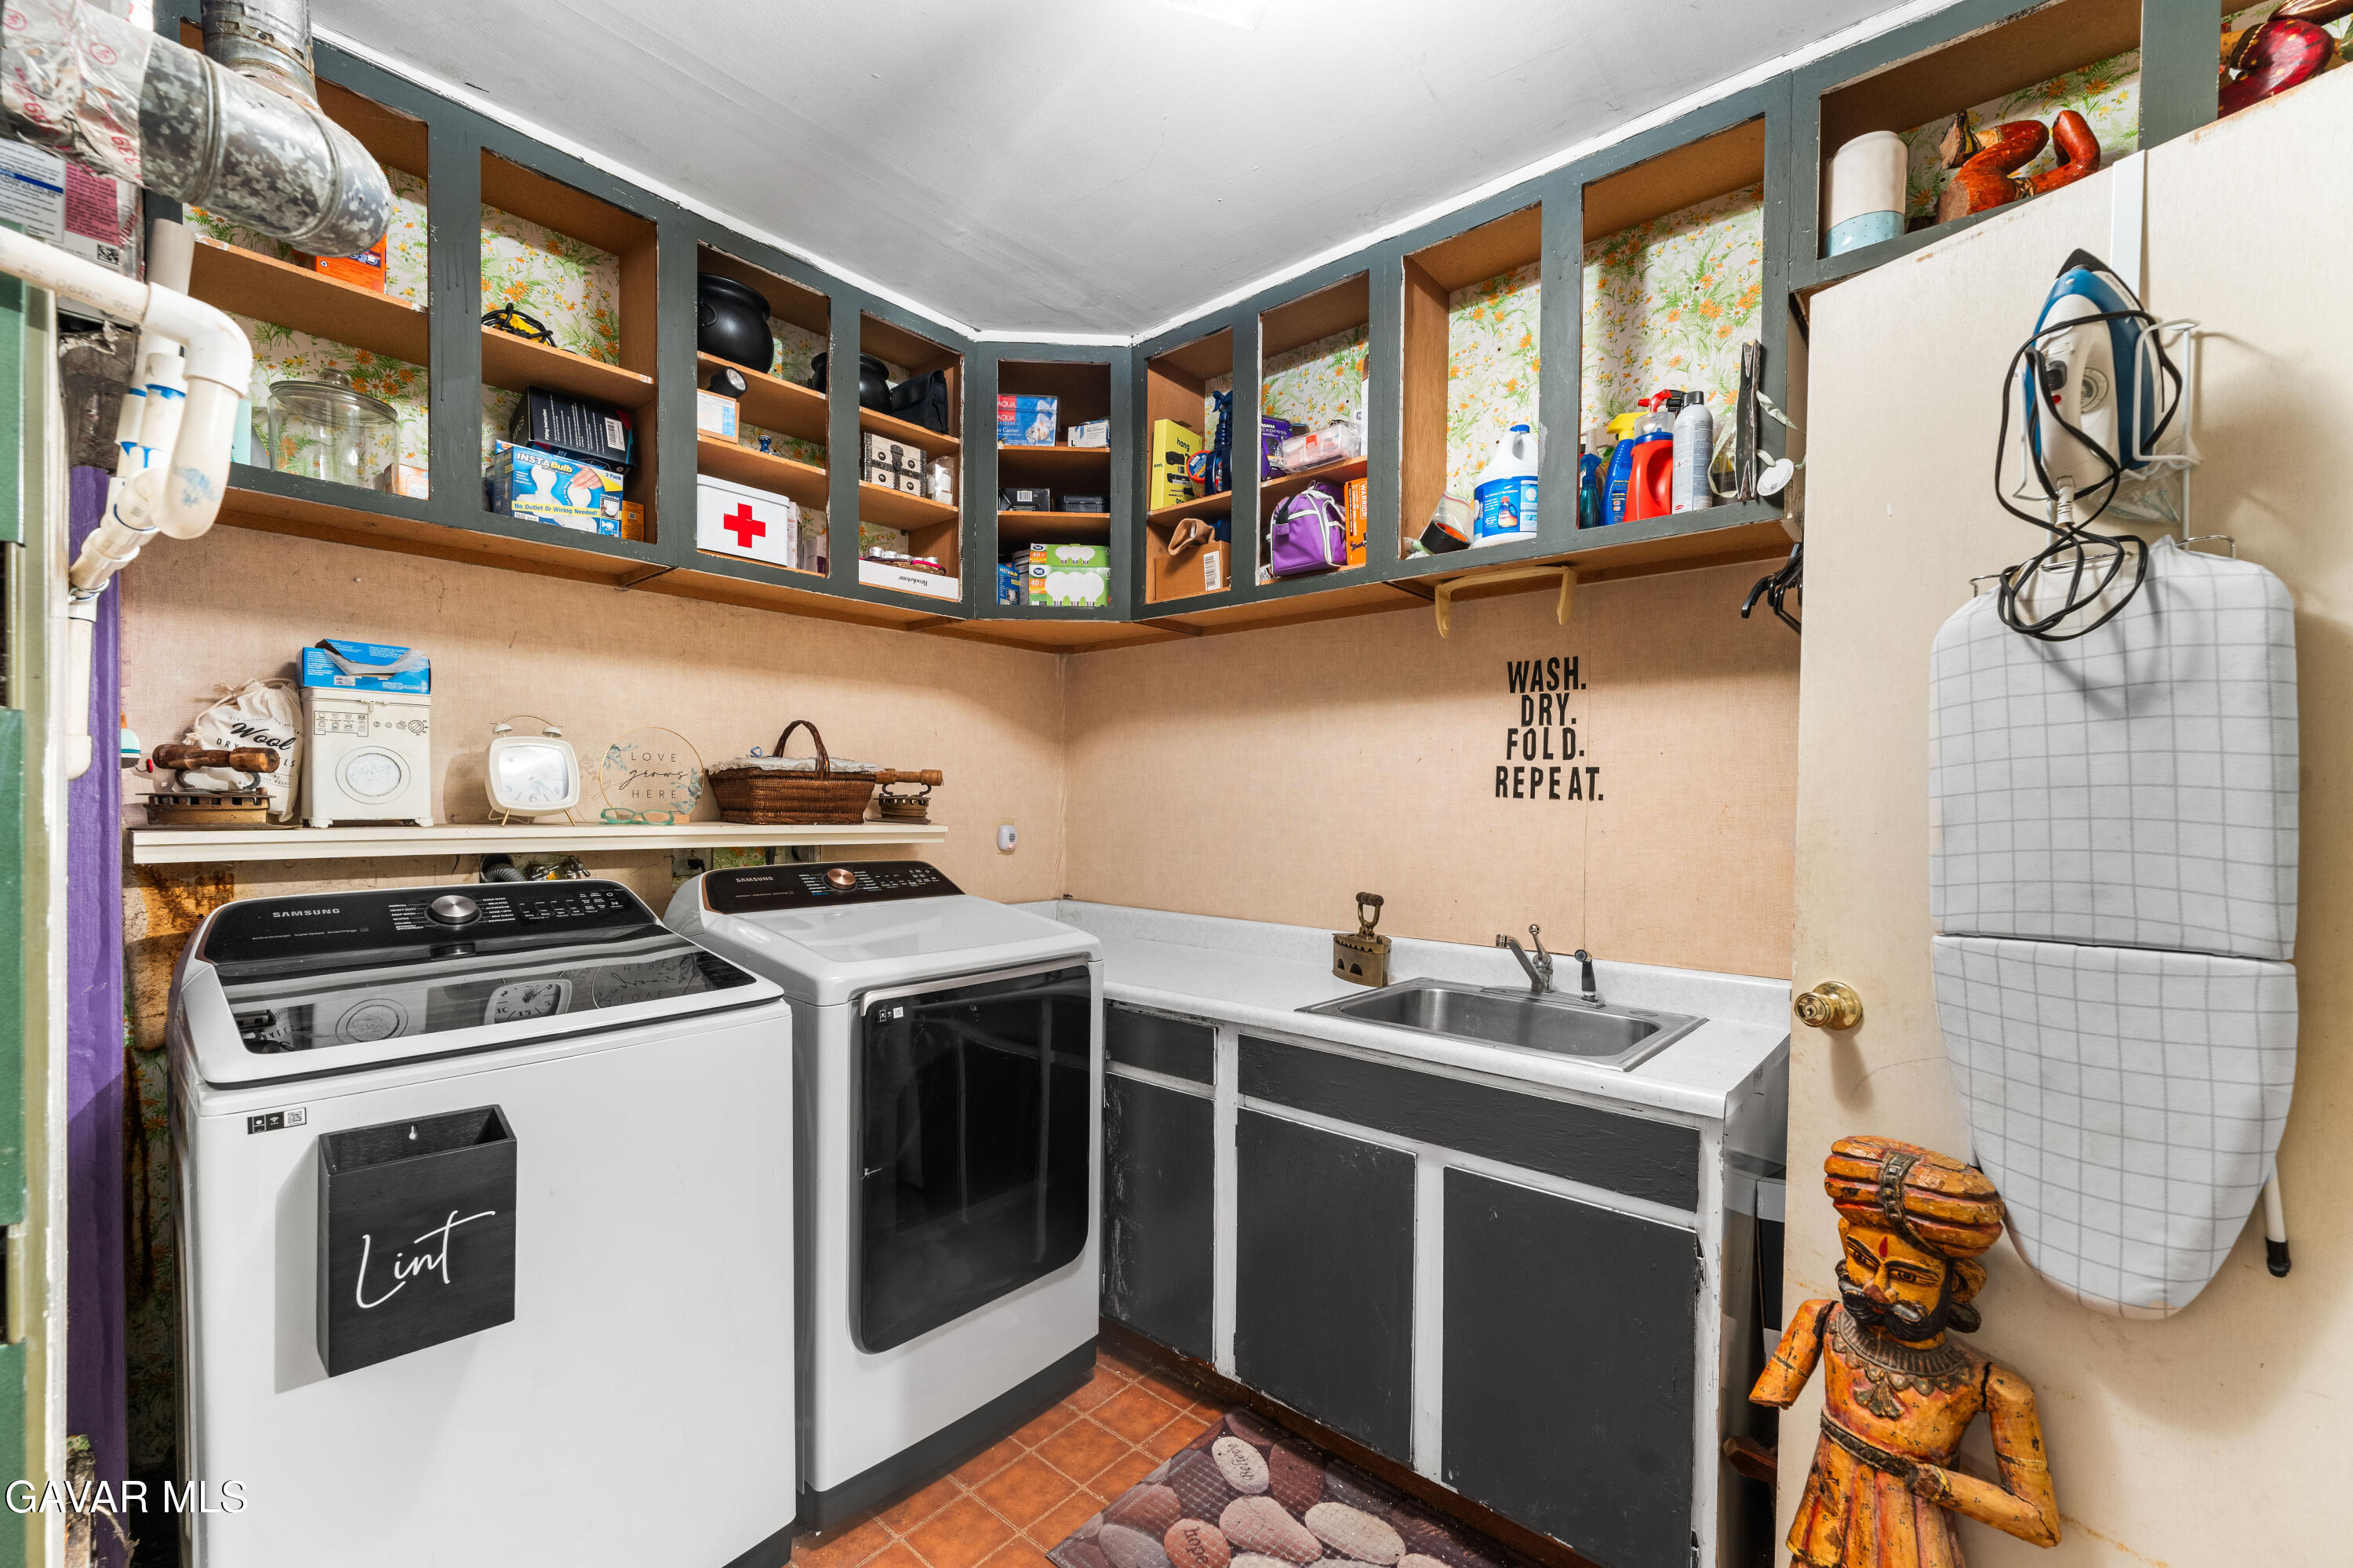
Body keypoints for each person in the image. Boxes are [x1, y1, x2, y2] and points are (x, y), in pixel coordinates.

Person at [1751, 1136, 2060, 1567]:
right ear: (1844, 1242)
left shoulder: (1992, 1388)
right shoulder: (1821, 1321)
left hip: (1913, 1549)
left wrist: (1939, 1484)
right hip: (1820, 1532)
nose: (1876, 1289)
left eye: (1906, 1274)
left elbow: (2039, 1522)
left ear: (1956, 1286)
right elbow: (1772, 1393)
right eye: (1861, 1258)